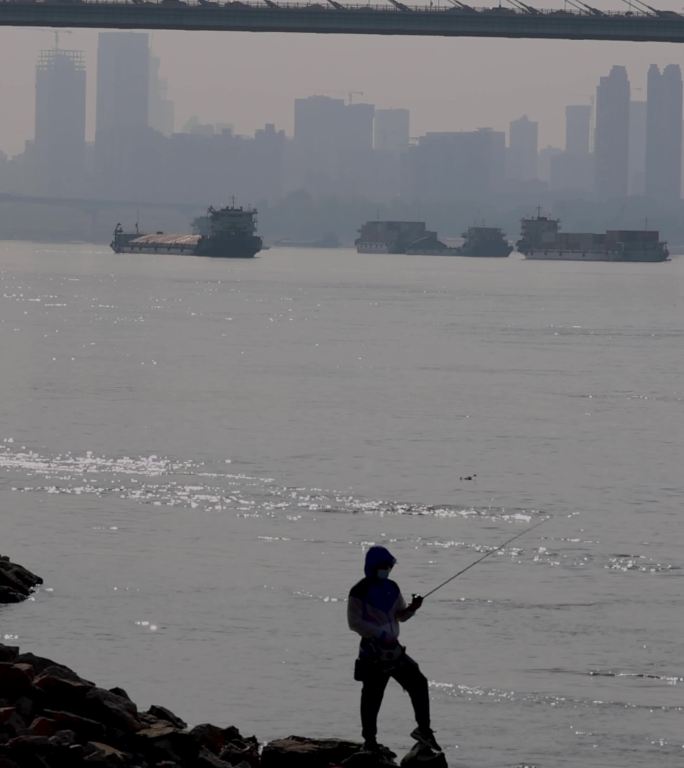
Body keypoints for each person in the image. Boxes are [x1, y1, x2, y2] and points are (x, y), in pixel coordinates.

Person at [347, 545, 442, 753]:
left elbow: (399, 615)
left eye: (389, 566)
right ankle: (369, 741)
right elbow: (354, 623)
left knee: (418, 682)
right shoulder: (358, 591)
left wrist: (412, 608)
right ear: (373, 567)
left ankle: (423, 730)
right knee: (372, 696)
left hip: (394, 651)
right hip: (372, 652)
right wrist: (379, 633)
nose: (388, 569)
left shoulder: (392, 587)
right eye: (384, 566)